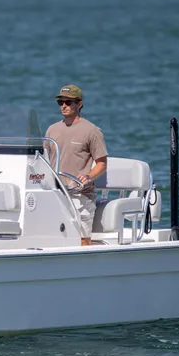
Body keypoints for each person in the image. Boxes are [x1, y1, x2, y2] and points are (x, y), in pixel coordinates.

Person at [45, 84, 108, 246]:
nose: (64, 105)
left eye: (68, 102)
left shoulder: (92, 131)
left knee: (82, 241)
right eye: (61, 102)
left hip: (81, 196)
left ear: (79, 104)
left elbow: (102, 164)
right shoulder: (52, 130)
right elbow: (43, 161)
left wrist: (88, 177)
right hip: (55, 194)